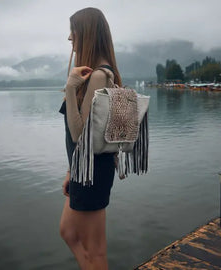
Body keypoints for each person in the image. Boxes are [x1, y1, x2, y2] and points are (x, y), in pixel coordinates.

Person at [58, 7, 122, 270]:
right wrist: (71, 170)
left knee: (95, 251)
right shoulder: (96, 72)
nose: (69, 37)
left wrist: (71, 89)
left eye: (73, 30)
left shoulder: (98, 76)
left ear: (86, 33)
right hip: (83, 169)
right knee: (68, 232)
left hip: (93, 172)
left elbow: (79, 134)